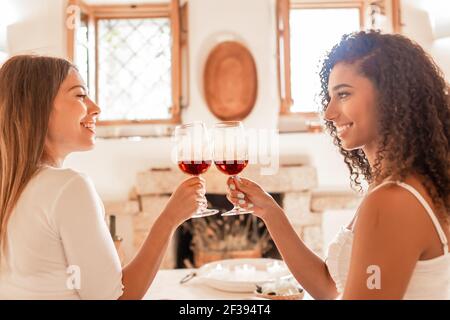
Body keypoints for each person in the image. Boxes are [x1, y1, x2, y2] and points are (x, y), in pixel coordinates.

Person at [227, 30, 450, 299]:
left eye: (343, 95)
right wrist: (270, 213)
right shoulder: (401, 184)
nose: (330, 114)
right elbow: (330, 287)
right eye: (330, 97)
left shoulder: (393, 200)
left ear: (391, 98)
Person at [0, 55, 207, 300]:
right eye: (79, 95)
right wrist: (170, 218)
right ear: (38, 107)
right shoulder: (68, 187)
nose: (96, 108)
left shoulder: (10, 189)